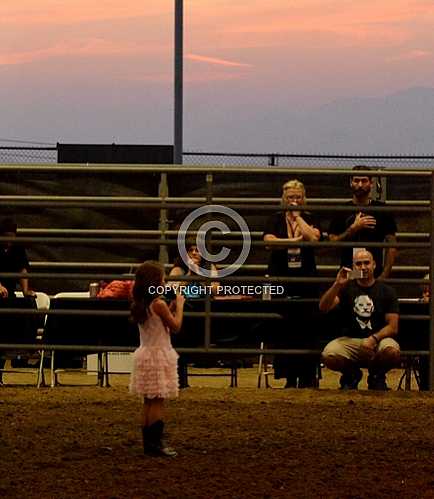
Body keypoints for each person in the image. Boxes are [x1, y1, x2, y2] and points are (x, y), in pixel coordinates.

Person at [263, 179, 321, 388]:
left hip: (306, 279)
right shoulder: (275, 219)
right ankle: (288, 376)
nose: (294, 201)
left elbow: (313, 239)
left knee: (307, 327)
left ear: (303, 199)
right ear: (283, 199)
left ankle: (307, 376)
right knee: (284, 328)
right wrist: (295, 242)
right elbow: (269, 242)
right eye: (290, 198)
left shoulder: (311, 218)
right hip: (281, 277)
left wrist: (299, 219)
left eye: (298, 197)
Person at [320, 249, 400, 390]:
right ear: (353, 267)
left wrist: (374, 338)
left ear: (374, 265)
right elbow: (324, 307)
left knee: (391, 351)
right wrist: (337, 284)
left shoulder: (387, 291)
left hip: (378, 340)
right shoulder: (345, 289)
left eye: (366, 263)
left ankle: (377, 375)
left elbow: (393, 326)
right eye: (358, 264)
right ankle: (351, 374)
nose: (363, 267)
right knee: (329, 355)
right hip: (351, 340)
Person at [129, 261, 185, 457]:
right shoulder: (158, 303)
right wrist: (179, 305)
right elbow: (176, 326)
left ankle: (149, 443)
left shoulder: (141, 303)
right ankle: (156, 444)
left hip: (145, 353)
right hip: (159, 354)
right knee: (158, 401)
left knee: (148, 401)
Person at [328, 165, 397, 279]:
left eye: (364, 181)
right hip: (348, 273)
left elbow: (392, 246)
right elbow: (332, 243)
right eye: (356, 181)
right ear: (350, 182)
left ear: (371, 183)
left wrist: (384, 275)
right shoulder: (341, 210)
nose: (360, 185)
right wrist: (353, 229)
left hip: (374, 274)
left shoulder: (382, 210)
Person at [0, 217, 35, 298]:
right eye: (6, 236)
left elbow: (22, 269)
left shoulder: (18, 249)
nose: (9, 239)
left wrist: (25, 291)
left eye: (12, 236)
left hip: (9, 292)